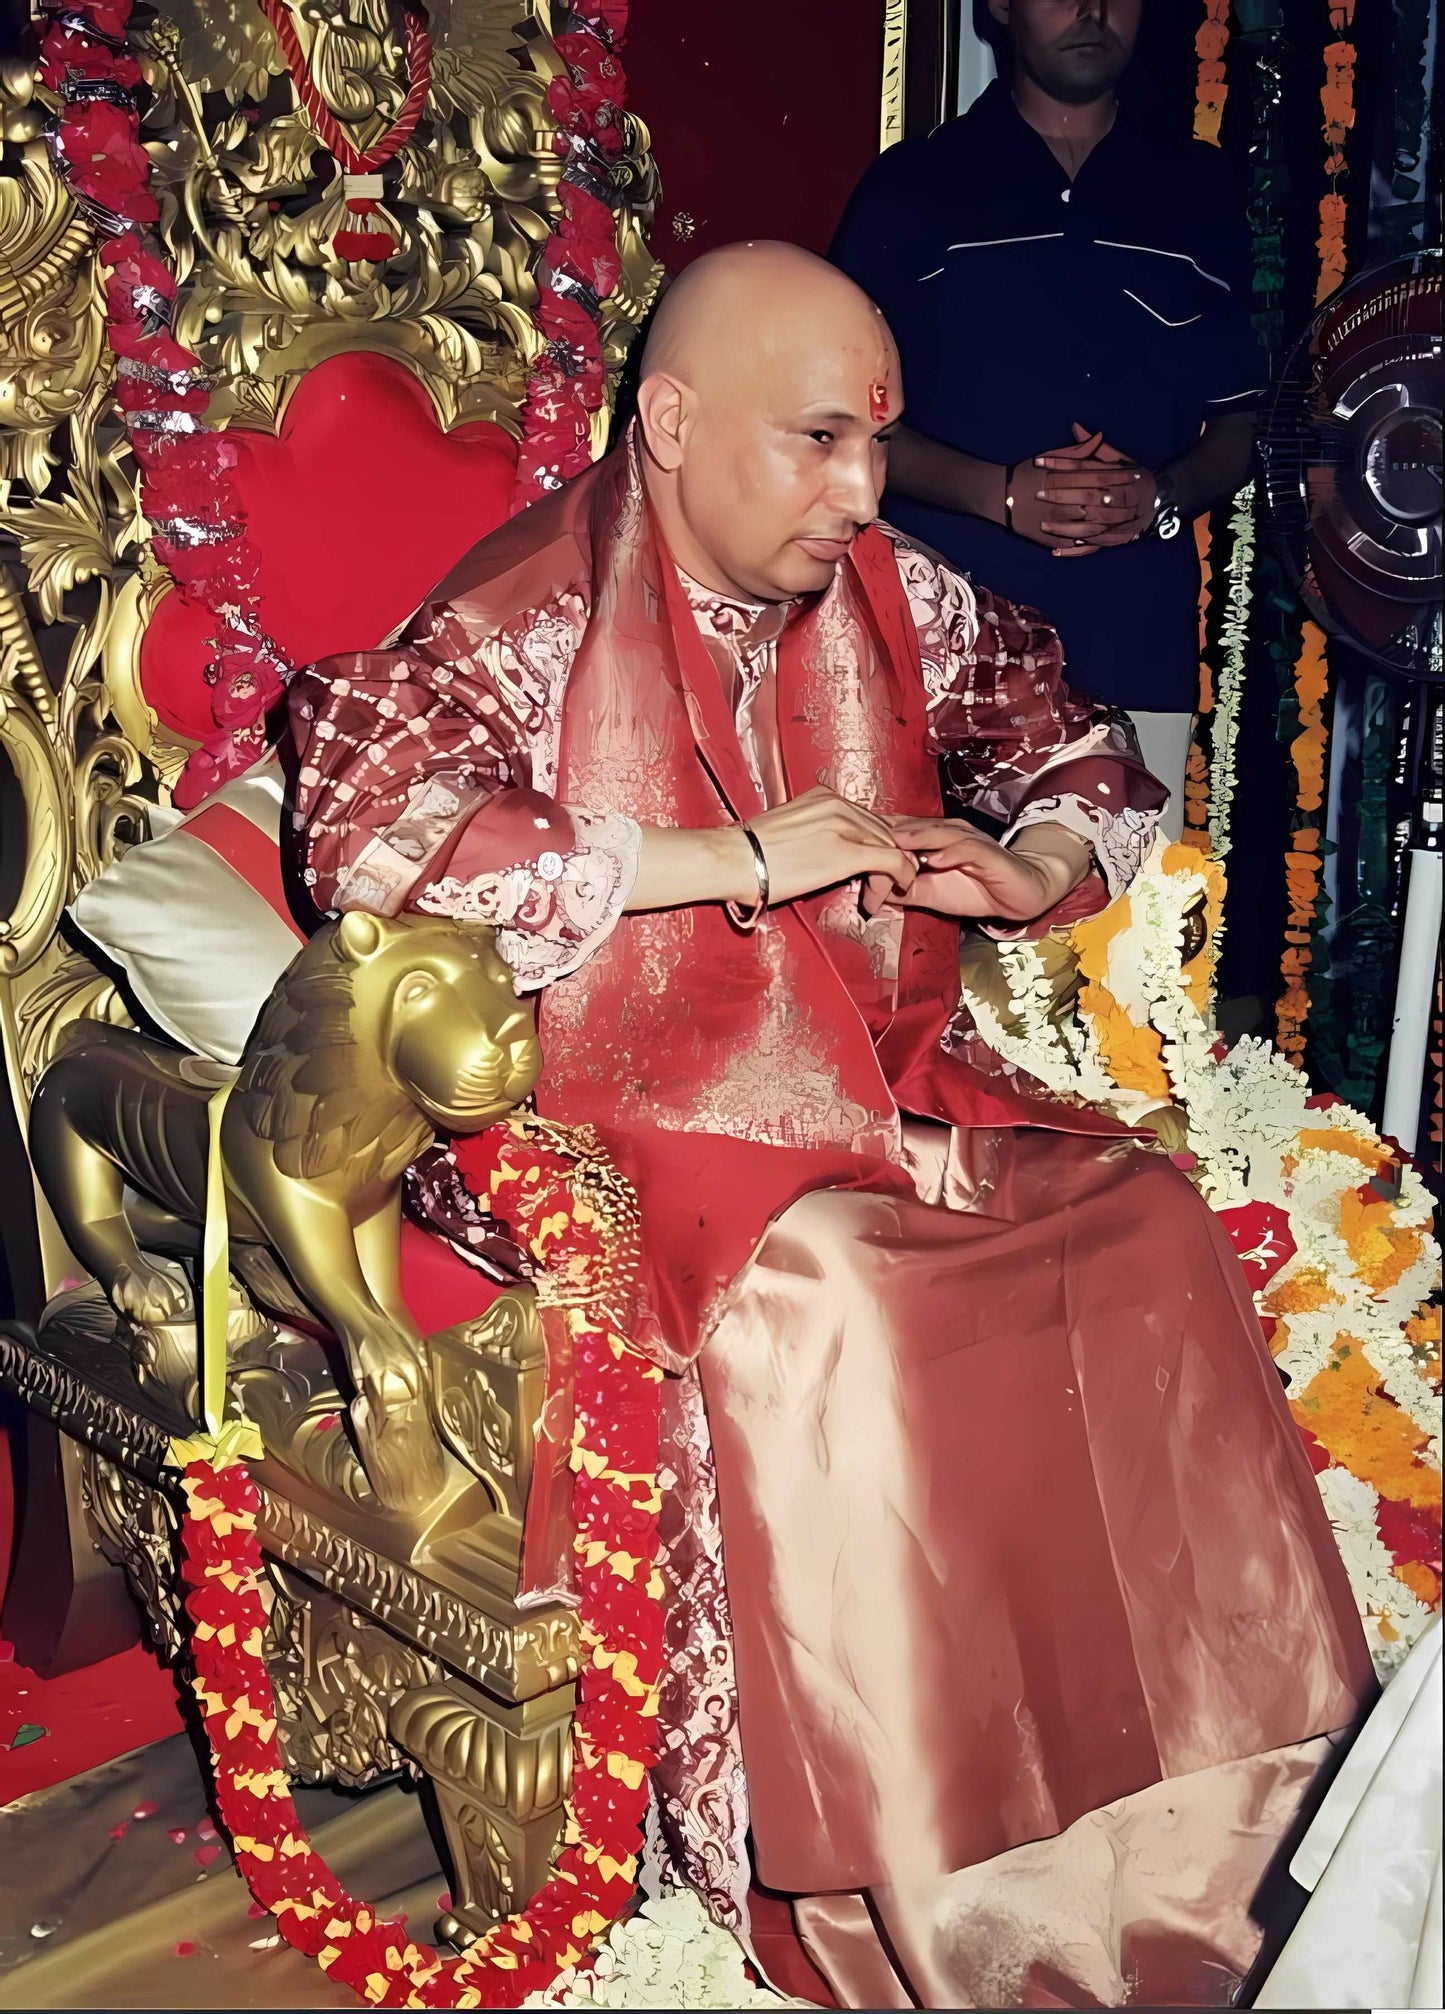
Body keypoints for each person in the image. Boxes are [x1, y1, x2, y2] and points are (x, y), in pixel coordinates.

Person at [288, 243, 1369, 2010]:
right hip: (588, 1112)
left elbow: (1079, 737)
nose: (865, 489)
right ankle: (904, 1895)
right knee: (853, 1296)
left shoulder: (888, 589)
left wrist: (1022, 866)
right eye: (818, 443)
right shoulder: (529, 615)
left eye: (877, 441)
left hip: (863, 1070)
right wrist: (739, 859)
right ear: (671, 424)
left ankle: (1194, 1816)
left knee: (1142, 1208)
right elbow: (367, 822)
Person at [830, 0, 1265, 838]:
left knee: (1127, 949)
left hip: (1132, 644)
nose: (1092, 11)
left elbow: (1239, 424)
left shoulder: (1202, 191)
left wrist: (1163, 493)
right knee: (922, 931)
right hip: (939, 651)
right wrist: (999, 494)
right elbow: (849, 425)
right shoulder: (912, 185)